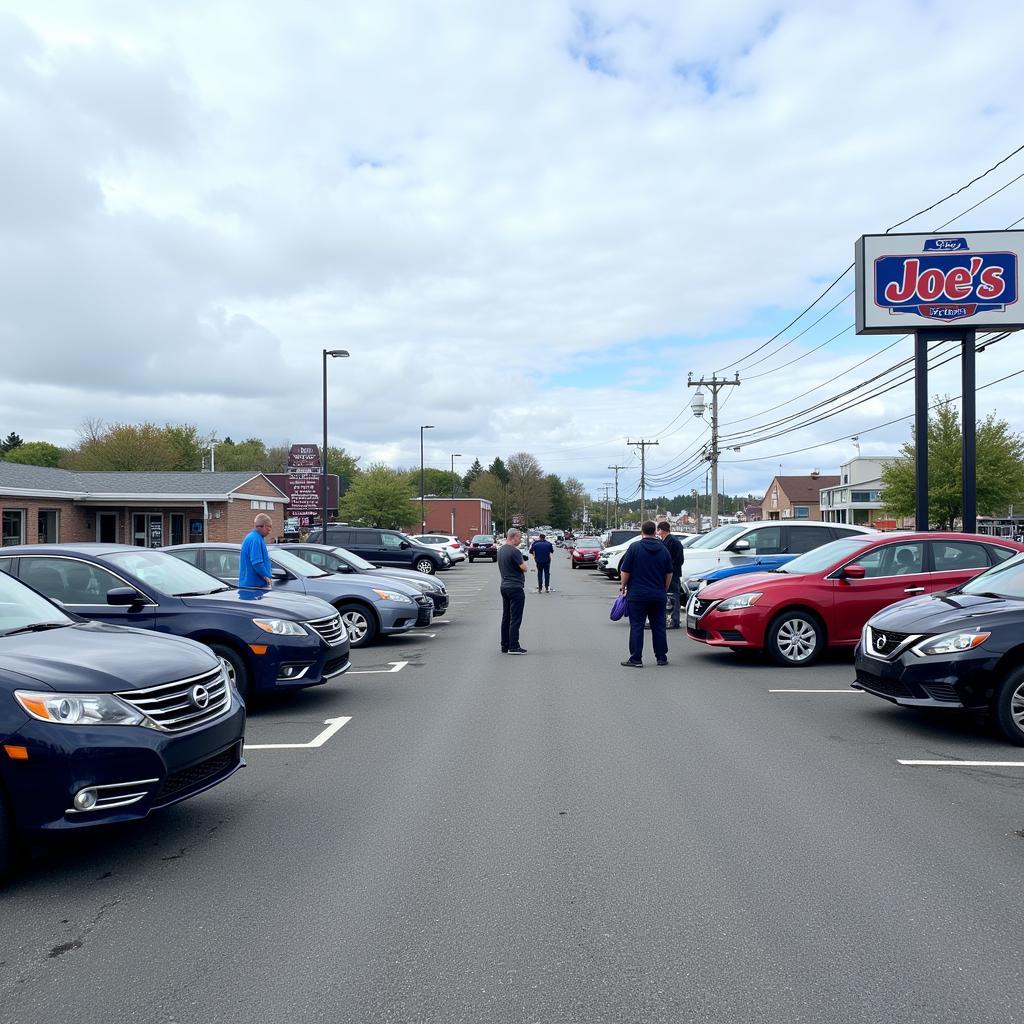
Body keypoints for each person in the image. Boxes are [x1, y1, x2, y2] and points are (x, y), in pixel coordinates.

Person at [618, 520, 673, 668]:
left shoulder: (634, 548)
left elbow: (625, 570)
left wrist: (623, 586)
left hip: (637, 595)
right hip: (658, 594)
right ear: (655, 531)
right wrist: (664, 588)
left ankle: (636, 658)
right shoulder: (663, 549)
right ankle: (661, 657)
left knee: (637, 626)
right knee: (659, 626)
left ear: (642, 532)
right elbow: (669, 573)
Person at [498, 527, 529, 654]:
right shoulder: (514, 551)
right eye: (519, 537)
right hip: (515, 587)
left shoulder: (501, 550)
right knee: (515, 618)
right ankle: (514, 645)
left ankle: (504, 645)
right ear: (513, 537)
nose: (520, 540)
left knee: (506, 617)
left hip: (504, 585)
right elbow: (524, 567)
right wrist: (523, 562)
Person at [657, 521, 686, 629]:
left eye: (658, 529)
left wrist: (668, 567)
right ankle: (667, 619)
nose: (657, 532)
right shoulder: (664, 541)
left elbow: (679, 560)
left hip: (673, 574)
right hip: (665, 573)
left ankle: (674, 620)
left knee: (673, 596)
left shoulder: (674, 542)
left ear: (662, 530)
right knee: (668, 596)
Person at [240, 513, 275, 589]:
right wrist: (266, 576)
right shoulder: (256, 539)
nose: (270, 531)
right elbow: (257, 562)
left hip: (249, 584)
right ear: (262, 526)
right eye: (269, 528)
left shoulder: (252, 537)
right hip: (255, 586)